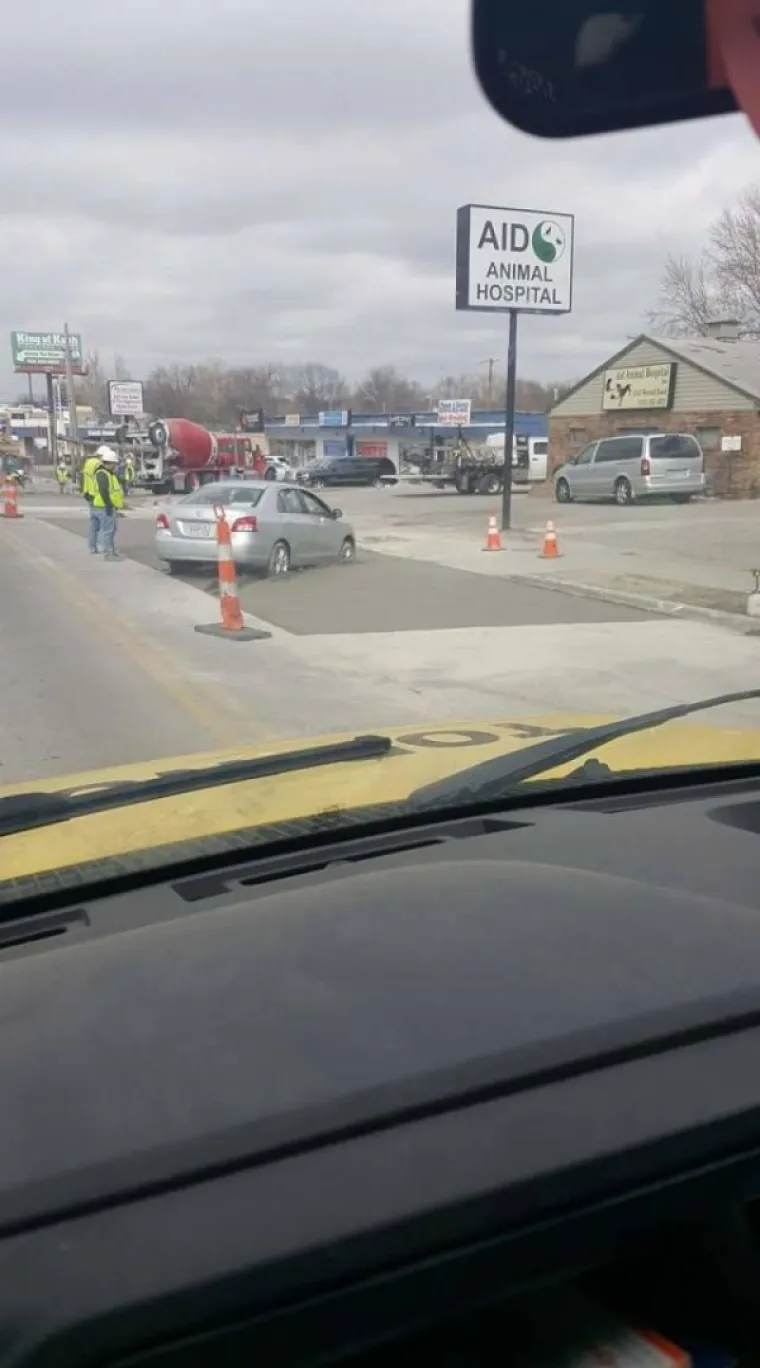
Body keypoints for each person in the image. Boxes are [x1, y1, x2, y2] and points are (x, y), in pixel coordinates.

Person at [91, 446, 125, 560]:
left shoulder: (108, 474)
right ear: (109, 463)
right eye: (114, 464)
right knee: (107, 531)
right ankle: (108, 554)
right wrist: (109, 504)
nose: (115, 466)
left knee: (111, 530)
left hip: (108, 506)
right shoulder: (102, 474)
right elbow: (103, 490)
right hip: (104, 506)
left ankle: (112, 552)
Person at [81, 446, 108, 554]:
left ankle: (92, 546)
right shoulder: (99, 465)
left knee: (93, 523)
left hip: (88, 494)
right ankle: (101, 547)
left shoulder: (88, 463)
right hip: (98, 496)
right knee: (103, 523)